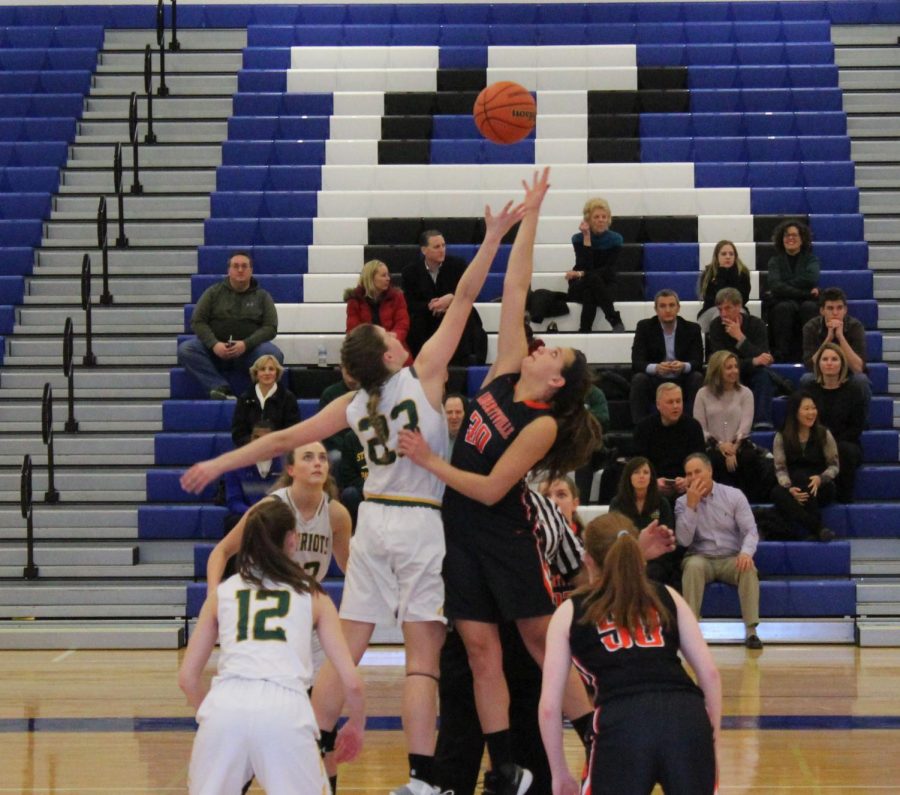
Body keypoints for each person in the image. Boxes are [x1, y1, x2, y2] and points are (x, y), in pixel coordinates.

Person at [182, 188, 527, 795]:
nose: (402, 339)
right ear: (391, 352)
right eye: (393, 338)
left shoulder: (351, 403)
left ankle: (311, 742)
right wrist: (494, 234)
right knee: (422, 657)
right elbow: (468, 296)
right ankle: (422, 779)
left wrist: (219, 462)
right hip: (421, 519)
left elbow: (281, 437)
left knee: (352, 641)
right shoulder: (422, 377)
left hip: (371, 521)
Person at [398, 168, 601, 795]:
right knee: (482, 651)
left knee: (541, 642)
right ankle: (506, 764)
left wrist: (428, 463)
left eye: (552, 353)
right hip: (459, 529)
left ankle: (596, 733)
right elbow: (514, 287)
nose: (541, 347)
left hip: (500, 530)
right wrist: (528, 215)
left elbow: (489, 490)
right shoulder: (509, 367)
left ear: (558, 378)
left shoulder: (540, 424)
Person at [178, 500, 365, 795]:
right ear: (292, 540)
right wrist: (356, 722)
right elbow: (351, 681)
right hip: (286, 709)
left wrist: (216, 716)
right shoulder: (313, 595)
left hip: (226, 704)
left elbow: (187, 678)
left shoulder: (222, 593)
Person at [539, 511, 721, 795]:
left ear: (587, 560)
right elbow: (709, 674)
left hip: (622, 721)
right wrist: (712, 743)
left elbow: (550, 706)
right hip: (687, 717)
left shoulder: (569, 611)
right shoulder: (667, 595)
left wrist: (559, 771)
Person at [676, 453, 763, 650]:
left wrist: (745, 553)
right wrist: (691, 506)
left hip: (731, 557)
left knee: (748, 568)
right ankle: (691, 631)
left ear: (710, 471)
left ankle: (751, 631)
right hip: (700, 557)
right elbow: (683, 540)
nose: (693, 477)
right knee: (693, 567)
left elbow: (750, 530)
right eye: (689, 474)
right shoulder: (682, 503)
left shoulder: (733, 495)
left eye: (698, 471)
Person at [177, 251, 282, 400]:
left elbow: (271, 328)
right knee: (186, 349)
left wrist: (246, 344)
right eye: (236, 266)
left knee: (273, 354)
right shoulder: (213, 293)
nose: (240, 270)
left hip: (248, 354)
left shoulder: (263, 296)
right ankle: (219, 387)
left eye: (244, 266)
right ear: (229, 270)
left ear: (251, 270)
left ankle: (256, 394)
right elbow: (197, 321)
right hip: (215, 352)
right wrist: (214, 344)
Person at [402, 229, 487, 364]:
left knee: (468, 317)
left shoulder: (458, 265)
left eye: (443, 245)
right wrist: (432, 305)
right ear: (424, 250)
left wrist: (452, 298)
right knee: (416, 324)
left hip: (455, 311)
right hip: (427, 316)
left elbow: (471, 292)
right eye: (436, 247)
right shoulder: (410, 272)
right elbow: (410, 303)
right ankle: (422, 364)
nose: (442, 250)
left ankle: (465, 362)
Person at [693, 350, 762, 499]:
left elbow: (745, 426)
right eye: (729, 367)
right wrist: (720, 446)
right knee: (715, 460)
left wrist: (733, 448)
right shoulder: (702, 394)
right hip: (712, 445)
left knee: (748, 459)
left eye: (736, 366)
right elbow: (700, 428)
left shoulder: (746, 393)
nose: (734, 371)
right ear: (717, 370)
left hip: (739, 444)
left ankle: (746, 502)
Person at [770, 393, 839, 542]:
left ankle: (813, 529)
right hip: (794, 486)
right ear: (795, 412)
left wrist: (821, 478)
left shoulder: (824, 434)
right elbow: (780, 468)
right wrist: (789, 488)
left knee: (804, 478)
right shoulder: (781, 436)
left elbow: (834, 465)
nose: (811, 412)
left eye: (813, 408)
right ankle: (818, 528)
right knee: (778, 493)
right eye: (806, 409)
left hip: (820, 487)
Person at [629, 289, 704, 424]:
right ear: (656, 309)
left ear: (678, 308)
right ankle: (639, 427)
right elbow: (637, 361)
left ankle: (693, 425)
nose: (667, 310)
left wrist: (683, 366)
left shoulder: (692, 329)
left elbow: (698, 361)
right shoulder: (644, 327)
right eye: (662, 306)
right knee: (639, 379)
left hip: (682, 379)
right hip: (656, 380)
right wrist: (656, 368)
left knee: (697, 377)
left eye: (671, 305)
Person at [708, 286, 776, 430]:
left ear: (739, 306)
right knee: (727, 375)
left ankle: (762, 423)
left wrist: (740, 338)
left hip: (752, 372)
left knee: (762, 375)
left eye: (728, 308)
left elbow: (763, 358)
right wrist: (753, 361)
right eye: (720, 310)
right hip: (727, 373)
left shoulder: (756, 324)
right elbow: (721, 362)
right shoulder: (715, 327)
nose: (723, 314)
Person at [806, 343, 865, 503]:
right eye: (825, 359)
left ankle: (844, 500)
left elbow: (856, 428)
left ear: (842, 364)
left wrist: (831, 444)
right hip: (816, 441)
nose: (829, 363)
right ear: (819, 364)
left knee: (844, 451)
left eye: (834, 359)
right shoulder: (809, 390)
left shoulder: (854, 390)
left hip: (846, 442)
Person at [610, 456, 680, 589]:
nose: (641, 476)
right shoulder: (617, 503)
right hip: (627, 557)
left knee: (652, 572)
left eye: (645, 472)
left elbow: (668, 534)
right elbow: (614, 533)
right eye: (636, 472)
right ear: (628, 476)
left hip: (657, 559)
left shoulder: (661, 503)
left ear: (651, 477)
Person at [801, 286, 871, 411]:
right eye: (830, 308)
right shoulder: (811, 327)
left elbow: (858, 368)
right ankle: (815, 425)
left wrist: (840, 336)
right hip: (822, 374)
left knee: (861, 381)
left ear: (845, 310)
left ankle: (860, 425)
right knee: (807, 380)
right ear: (822, 311)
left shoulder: (855, 326)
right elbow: (811, 366)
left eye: (839, 308)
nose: (835, 313)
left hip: (848, 375)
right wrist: (828, 338)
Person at [631, 383, 705, 502]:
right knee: (655, 508)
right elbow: (638, 463)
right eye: (670, 402)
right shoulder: (644, 428)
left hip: (686, 486)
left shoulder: (693, 427)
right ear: (658, 405)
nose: (676, 406)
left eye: (678, 401)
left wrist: (688, 479)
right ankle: (656, 519)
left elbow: (701, 461)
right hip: (654, 488)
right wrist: (652, 482)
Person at [765, 219, 820, 363]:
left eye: (794, 235)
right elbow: (775, 286)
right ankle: (781, 355)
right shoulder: (774, 261)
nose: (790, 238)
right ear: (781, 239)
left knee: (809, 307)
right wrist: (805, 293)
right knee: (784, 308)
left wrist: (784, 286)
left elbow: (810, 278)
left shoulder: (811, 259)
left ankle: (811, 354)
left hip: (803, 301)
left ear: (802, 239)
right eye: (787, 235)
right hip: (785, 301)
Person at [567, 197, 625, 333]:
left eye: (604, 217)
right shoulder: (578, 238)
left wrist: (582, 274)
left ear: (608, 219)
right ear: (588, 220)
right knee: (592, 283)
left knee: (591, 290)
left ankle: (584, 330)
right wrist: (586, 237)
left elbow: (608, 269)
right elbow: (584, 265)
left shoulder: (616, 239)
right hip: (580, 284)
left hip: (606, 283)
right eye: (596, 217)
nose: (601, 220)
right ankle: (614, 319)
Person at [346, 258, 412, 364]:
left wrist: (392, 338)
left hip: (394, 346)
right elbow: (353, 330)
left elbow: (403, 324)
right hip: (366, 350)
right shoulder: (355, 300)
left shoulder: (397, 296)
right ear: (371, 278)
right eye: (383, 275)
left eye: (388, 275)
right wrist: (373, 344)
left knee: (412, 375)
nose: (388, 279)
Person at [222, 420, 283, 534]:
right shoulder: (235, 464)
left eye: (266, 439)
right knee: (233, 521)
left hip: (276, 515)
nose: (261, 443)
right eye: (257, 437)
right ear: (250, 439)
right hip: (248, 515)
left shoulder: (286, 465)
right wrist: (254, 513)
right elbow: (234, 501)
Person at [231, 354, 299, 448]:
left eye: (271, 369)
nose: (267, 373)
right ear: (256, 373)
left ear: (277, 373)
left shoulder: (288, 398)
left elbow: (292, 429)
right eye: (262, 369)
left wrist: (274, 444)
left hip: (279, 451)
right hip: (249, 451)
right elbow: (238, 431)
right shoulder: (245, 398)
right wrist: (253, 444)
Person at [697, 240, 752, 333]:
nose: (728, 257)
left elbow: (743, 298)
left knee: (735, 314)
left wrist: (732, 274)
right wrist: (721, 274)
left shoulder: (742, 273)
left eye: (731, 254)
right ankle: (718, 346)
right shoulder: (708, 274)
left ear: (735, 256)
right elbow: (712, 300)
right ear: (717, 256)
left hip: (737, 309)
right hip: (711, 310)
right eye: (724, 254)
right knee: (720, 314)